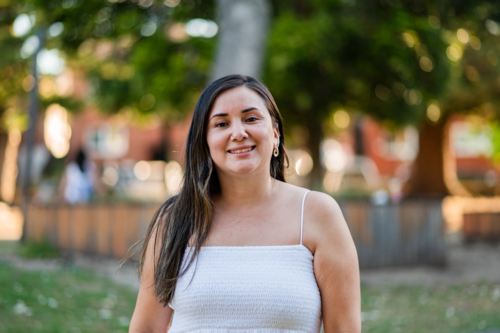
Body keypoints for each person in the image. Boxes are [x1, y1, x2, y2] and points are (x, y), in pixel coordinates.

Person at [129, 75, 361, 333]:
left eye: (251, 119)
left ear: (275, 135)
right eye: (221, 123)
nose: (238, 133)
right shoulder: (175, 219)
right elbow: (147, 327)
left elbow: (344, 329)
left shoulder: (318, 213)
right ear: (205, 141)